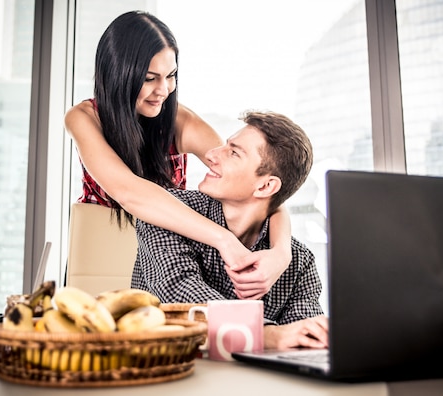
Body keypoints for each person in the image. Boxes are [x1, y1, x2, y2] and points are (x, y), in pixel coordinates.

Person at [64, 10, 292, 300]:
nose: (164, 90)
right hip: (100, 251)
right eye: (149, 78)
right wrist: (224, 240)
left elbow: (253, 186)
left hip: (168, 254)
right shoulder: (84, 118)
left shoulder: (179, 121)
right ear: (118, 74)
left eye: (171, 76)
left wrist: (280, 254)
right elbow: (128, 192)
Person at [132, 111, 328, 350]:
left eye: (233, 152)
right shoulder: (164, 212)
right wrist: (267, 334)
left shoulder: (299, 262)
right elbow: (179, 295)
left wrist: (316, 336)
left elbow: (302, 339)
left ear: (266, 186)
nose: (211, 154)